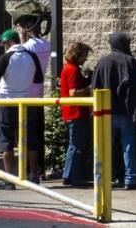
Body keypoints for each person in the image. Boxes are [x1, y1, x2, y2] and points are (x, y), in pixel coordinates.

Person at [0, 29, 43, 190]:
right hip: (27, 102)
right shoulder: (32, 56)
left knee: (6, 142)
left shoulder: (5, 58)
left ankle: (9, 179)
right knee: (30, 140)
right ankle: (33, 176)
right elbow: (39, 79)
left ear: (7, 43)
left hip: (7, 104)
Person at [91, 32, 136, 190]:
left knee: (104, 147)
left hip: (105, 112)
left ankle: (102, 177)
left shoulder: (102, 62)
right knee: (128, 146)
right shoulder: (132, 62)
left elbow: (95, 87)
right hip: (126, 111)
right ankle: (130, 179)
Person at [17, 15, 52, 179]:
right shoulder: (46, 44)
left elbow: (21, 58)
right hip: (39, 94)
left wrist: (22, 37)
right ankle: (41, 170)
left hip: (27, 95)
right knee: (39, 133)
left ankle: (28, 169)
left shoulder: (28, 46)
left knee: (27, 136)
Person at [60, 42, 92, 187]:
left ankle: (68, 175)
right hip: (76, 112)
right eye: (84, 56)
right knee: (76, 145)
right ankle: (75, 177)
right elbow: (73, 93)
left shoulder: (69, 68)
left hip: (72, 111)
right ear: (77, 55)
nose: (85, 59)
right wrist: (89, 87)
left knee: (74, 144)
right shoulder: (72, 70)